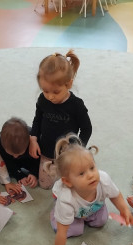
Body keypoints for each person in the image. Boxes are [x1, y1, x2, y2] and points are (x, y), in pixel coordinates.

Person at [44, 134, 133, 245]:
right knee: (75, 230)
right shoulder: (66, 198)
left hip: (93, 207)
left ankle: (88, 212)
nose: (91, 175)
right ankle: (55, 214)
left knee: (101, 221)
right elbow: (62, 231)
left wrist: (124, 210)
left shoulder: (103, 179)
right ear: (68, 181)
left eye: (92, 168)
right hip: (72, 210)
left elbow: (115, 196)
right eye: (81, 173)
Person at [29, 50, 92, 190]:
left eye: (56, 92)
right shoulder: (42, 99)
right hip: (46, 151)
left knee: (68, 186)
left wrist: (78, 149)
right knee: (45, 185)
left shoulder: (76, 105)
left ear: (69, 84)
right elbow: (37, 119)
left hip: (67, 154)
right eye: (45, 91)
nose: (50, 96)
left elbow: (87, 129)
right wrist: (33, 139)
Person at [0, 117, 40, 188]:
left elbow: (38, 159)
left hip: (29, 159)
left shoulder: (33, 142)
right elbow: (7, 162)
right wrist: (19, 175)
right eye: (12, 154)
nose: (15, 156)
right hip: (10, 160)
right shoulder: (1, 144)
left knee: (43, 168)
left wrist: (34, 173)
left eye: (19, 154)